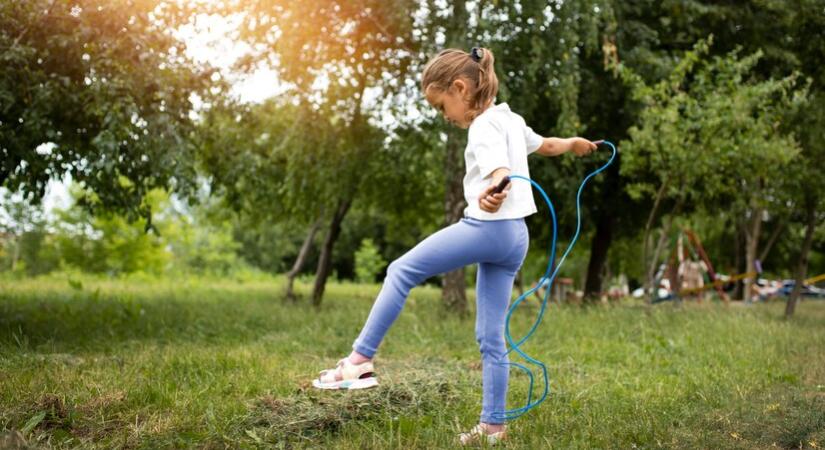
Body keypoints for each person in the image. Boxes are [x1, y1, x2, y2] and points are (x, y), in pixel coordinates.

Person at [312, 46, 597, 445]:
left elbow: (499, 168)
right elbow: (545, 144)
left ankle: (358, 361)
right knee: (491, 338)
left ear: (461, 89)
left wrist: (496, 187)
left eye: (441, 105)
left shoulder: (482, 126)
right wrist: (573, 144)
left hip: (488, 228)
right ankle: (493, 427)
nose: (444, 115)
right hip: (516, 237)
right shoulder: (511, 119)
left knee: (401, 270)